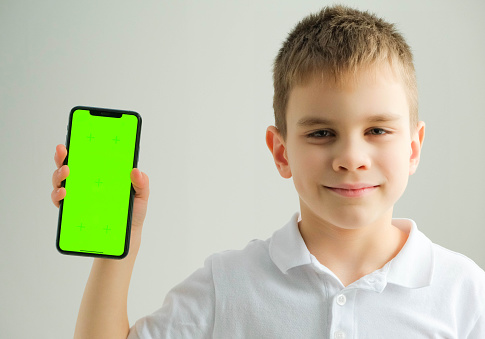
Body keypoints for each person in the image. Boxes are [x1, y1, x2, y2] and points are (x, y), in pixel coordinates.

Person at [51, 4, 485, 338]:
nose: (351, 158)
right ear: (281, 153)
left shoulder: (464, 291)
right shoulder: (229, 284)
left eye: (376, 129)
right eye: (321, 133)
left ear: (413, 148)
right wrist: (118, 251)